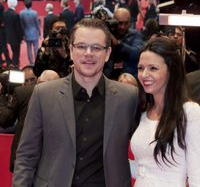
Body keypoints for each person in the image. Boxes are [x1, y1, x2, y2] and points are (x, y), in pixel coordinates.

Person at [12, 18, 138, 187]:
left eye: (96, 47)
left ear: (107, 53)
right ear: (71, 51)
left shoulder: (128, 97)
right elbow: (26, 157)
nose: (88, 53)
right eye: (81, 46)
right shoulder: (43, 94)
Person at [130, 37, 200, 186]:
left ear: (171, 70)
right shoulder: (143, 112)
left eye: (153, 68)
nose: (144, 75)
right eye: (141, 68)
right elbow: (140, 168)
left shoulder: (190, 113)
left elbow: (197, 175)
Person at [104, 7, 143, 80]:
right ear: (113, 21)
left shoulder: (135, 34)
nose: (123, 27)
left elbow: (136, 54)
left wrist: (118, 44)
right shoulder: (107, 33)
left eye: (126, 23)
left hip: (127, 78)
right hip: (108, 78)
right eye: (120, 23)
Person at [20, 0, 40, 65]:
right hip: (34, 33)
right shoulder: (34, 13)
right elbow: (37, 24)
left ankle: (31, 63)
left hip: (26, 33)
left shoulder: (21, 13)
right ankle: (37, 62)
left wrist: (23, 34)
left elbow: (22, 25)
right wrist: (39, 32)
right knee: (36, 48)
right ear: (31, 4)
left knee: (29, 49)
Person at [3, 0, 23, 67]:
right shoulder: (15, 14)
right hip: (16, 38)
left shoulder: (5, 13)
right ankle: (15, 66)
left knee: (13, 51)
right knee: (16, 54)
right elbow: (18, 29)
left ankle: (14, 64)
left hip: (9, 37)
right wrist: (21, 38)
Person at [0, 0, 12, 67]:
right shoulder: (0, 5)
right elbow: (1, 18)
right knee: (4, 46)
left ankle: (1, 61)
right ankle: (8, 61)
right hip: (1, 29)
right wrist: (3, 23)